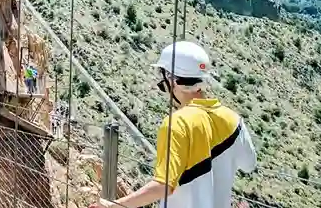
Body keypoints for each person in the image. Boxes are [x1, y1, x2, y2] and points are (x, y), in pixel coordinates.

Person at [89, 41, 256, 208]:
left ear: (173, 80)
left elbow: (163, 186)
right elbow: (249, 164)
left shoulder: (177, 123)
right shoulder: (234, 120)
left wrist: (114, 206)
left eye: (163, 80)